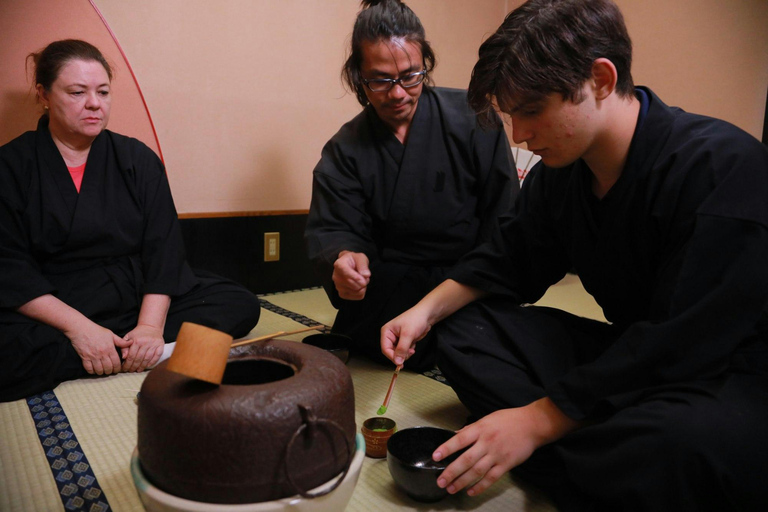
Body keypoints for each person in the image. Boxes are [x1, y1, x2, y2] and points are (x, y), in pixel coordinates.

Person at [380, 0, 768, 510]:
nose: (518, 134)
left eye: (531, 110)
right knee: (464, 334)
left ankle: (552, 451)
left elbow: (688, 341)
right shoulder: (562, 175)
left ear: (601, 79)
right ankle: (600, 463)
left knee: (679, 443)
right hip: (631, 355)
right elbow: (507, 259)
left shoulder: (723, 165)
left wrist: (540, 419)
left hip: (722, 374)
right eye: (510, 115)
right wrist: (422, 313)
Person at [0, 40, 261, 403]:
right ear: (44, 94)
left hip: (132, 292)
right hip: (58, 302)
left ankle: (129, 348)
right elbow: (9, 267)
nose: (94, 103)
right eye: (77, 92)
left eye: (103, 92)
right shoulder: (11, 165)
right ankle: (129, 352)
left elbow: (164, 251)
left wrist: (151, 326)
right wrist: (80, 330)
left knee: (238, 302)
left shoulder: (136, 158)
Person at [305, 0, 517, 372]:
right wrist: (344, 260)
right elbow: (336, 229)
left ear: (426, 65)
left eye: (410, 76)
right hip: (391, 288)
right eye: (381, 80)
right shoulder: (345, 149)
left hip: (466, 283)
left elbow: (504, 218)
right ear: (358, 76)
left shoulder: (474, 119)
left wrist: (483, 281)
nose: (398, 93)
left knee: (485, 344)